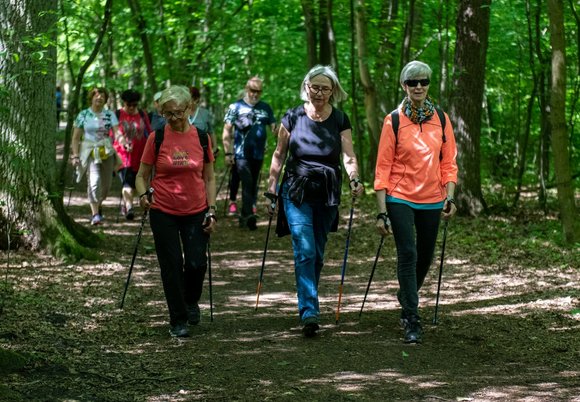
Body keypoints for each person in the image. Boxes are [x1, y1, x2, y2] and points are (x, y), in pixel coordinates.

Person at [266, 65, 364, 337]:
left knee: (317, 254)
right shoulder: (293, 116)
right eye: (315, 87)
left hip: (328, 190)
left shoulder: (340, 119)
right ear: (306, 87)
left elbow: (348, 156)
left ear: (333, 91)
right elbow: (279, 154)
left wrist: (355, 177)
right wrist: (271, 187)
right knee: (305, 250)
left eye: (325, 88)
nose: (319, 92)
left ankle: (308, 297)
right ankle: (309, 310)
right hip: (296, 189)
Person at [374, 60, 458, 344]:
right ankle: (411, 317)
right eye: (413, 82)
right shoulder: (394, 120)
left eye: (423, 81)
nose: (419, 86)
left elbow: (449, 163)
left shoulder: (442, 119)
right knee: (408, 254)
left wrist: (450, 196)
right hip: (400, 198)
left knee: (426, 255)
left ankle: (406, 293)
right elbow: (383, 167)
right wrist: (381, 211)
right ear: (404, 86)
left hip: (433, 198)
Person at [135, 85, 217, 338]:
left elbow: (210, 178)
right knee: (171, 266)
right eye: (167, 114)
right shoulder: (156, 138)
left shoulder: (202, 138)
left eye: (178, 113)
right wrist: (142, 195)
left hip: (196, 210)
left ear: (189, 109)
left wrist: (212, 210)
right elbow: (141, 176)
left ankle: (191, 301)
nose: (173, 119)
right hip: (163, 211)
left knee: (196, 263)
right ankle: (178, 319)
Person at [223, 77, 276, 230]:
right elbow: (227, 130)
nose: (255, 94)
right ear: (247, 89)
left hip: (258, 153)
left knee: (252, 185)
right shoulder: (235, 107)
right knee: (247, 183)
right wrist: (228, 153)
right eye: (252, 91)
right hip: (241, 153)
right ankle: (248, 217)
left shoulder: (265, 108)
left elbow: (274, 127)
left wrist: (279, 130)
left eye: (258, 91)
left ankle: (245, 215)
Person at [71, 87, 123, 225]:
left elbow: (117, 132)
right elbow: (75, 138)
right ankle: (95, 215)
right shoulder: (83, 115)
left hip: (106, 151)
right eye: (96, 96)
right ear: (91, 98)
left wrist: (123, 141)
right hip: (89, 151)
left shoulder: (110, 115)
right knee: (94, 182)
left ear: (106, 100)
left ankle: (99, 203)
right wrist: (75, 155)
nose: (99, 98)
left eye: (102, 96)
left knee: (106, 186)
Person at [114, 89, 152, 220]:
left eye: (134, 105)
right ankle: (130, 207)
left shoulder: (142, 114)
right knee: (127, 182)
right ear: (124, 103)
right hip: (122, 155)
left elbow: (149, 131)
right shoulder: (117, 114)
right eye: (128, 104)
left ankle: (126, 203)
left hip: (140, 154)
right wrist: (122, 143)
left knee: (138, 182)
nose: (131, 107)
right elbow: (112, 133)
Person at [189, 86, 218, 159]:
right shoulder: (182, 113)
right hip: (185, 151)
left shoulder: (205, 113)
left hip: (202, 151)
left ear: (196, 99)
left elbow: (211, 131)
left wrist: (214, 148)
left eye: (189, 99)